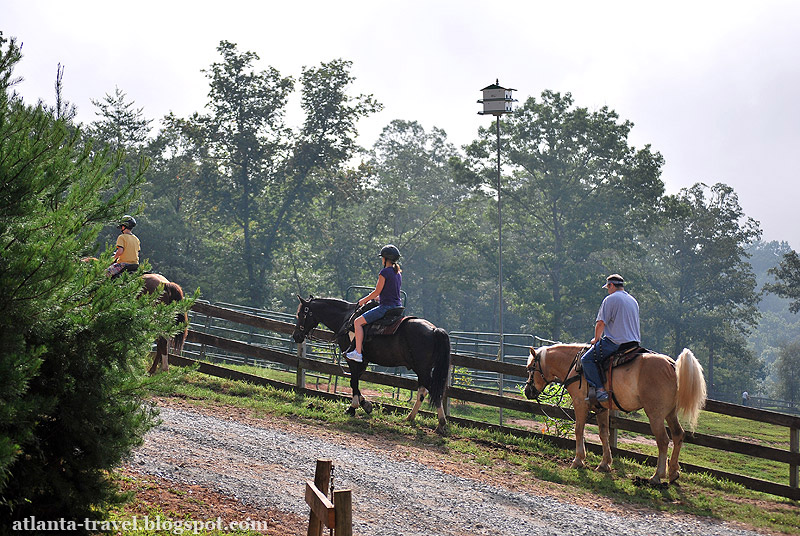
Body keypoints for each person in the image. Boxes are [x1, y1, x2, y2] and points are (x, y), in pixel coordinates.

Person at [581, 273, 640, 403]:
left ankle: (600, 391)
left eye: (608, 288)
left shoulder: (610, 299)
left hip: (615, 343)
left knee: (586, 360)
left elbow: (601, 323)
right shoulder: (633, 300)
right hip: (634, 343)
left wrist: (596, 339)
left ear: (611, 285)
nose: (608, 290)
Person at [345, 244, 403, 363]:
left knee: (357, 322)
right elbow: (390, 292)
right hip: (397, 306)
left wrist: (364, 300)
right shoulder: (397, 273)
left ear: (386, 259)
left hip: (386, 307)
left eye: (382, 257)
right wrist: (378, 298)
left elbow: (377, 290)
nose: (382, 260)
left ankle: (358, 353)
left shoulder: (384, 272)